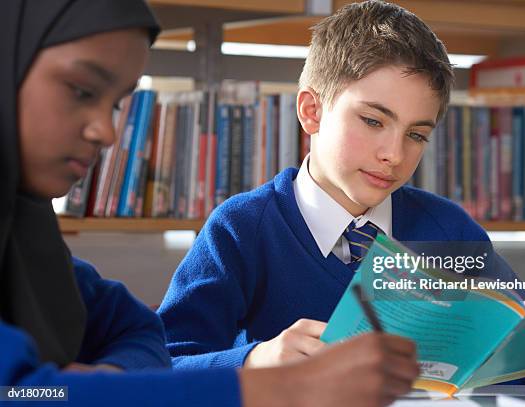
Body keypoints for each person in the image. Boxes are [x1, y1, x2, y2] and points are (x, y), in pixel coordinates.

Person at [158, 0, 525, 390]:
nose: (394, 154)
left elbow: (517, 361)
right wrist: (253, 362)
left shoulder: (449, 230)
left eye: (416, 134)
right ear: (312, 112)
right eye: (373, 121)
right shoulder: (241, 229)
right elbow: (160, 366)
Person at [0, 1, 420, 406]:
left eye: (114, 105)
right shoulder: (244, 225)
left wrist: (107, 385)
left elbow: (139, 331)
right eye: (80, 90)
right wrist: (278, 387)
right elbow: (18, 395)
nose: (107, 133)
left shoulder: (29, 240)